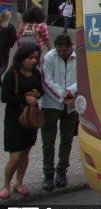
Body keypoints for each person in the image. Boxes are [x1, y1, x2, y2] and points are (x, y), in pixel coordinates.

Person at [0, 44, 43, 199]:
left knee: (26, 152)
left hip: (30, 118)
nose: (33, 61)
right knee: (15, 155)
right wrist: (25, 98)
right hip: (15, 118)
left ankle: (19, 182)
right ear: (21, 57)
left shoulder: (36, 73)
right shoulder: (12, 74)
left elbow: (41, 90)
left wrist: (37, 94)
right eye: (29, 58)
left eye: (35, 58)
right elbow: (4, 97)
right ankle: (6, 185)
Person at [41, 33, 77, 191]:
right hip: (51, 104)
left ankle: (62, 171)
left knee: (67, 139)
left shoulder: (78, 57)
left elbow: (83, 76)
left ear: (70, 46)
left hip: (71, 104)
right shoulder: (49, 57)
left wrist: (71, 91)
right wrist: (63, 96)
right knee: (48, 141)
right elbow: (46, 80)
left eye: (65, 50)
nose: (62, 53)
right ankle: (48, 173)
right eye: (60, 50)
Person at [0, 10, 17, 79]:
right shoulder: (10, 27)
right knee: (4, 64)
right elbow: (14, 37)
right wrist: (10, 44)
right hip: (5, 49)